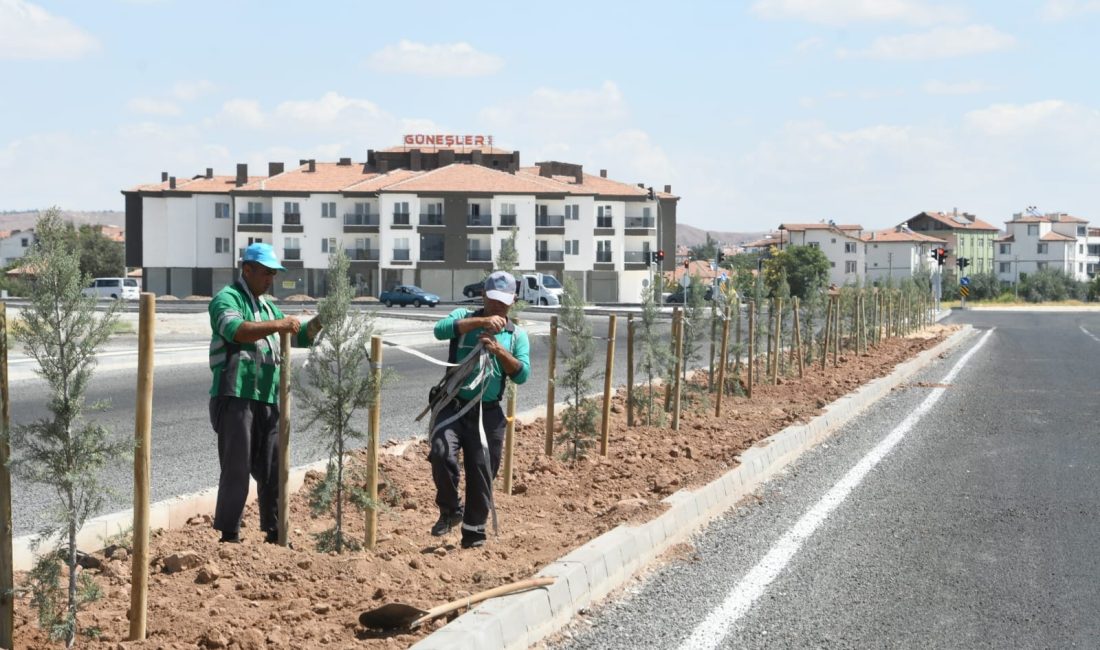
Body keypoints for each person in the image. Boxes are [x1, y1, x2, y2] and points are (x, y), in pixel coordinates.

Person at [208, 242, 322, 543]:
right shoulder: (226, 299)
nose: (270, 279)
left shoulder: (270, 307)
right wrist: (278, 325)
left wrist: (319, 323)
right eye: (266, 273)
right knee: (237, 466)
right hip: (235, 395)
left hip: (268, 398)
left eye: (273, 274)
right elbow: (236, 330)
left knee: (273, 467)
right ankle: (229, 534)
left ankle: (274, 531)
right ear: (247, 270)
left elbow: (297, 337)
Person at [429, 271, 530, 548]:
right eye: (493, 300)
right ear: (483, 295)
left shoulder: (516, 335)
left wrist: (498, 351)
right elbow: (440, 330)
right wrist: (481, 323)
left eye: (504, 302)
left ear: (513, 301)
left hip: (489, 414)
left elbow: (522, 374)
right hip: (454, 405)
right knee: (441, 451)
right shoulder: (465, 316)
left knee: (482, 471)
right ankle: (450, 511)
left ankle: (474, 534)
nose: (498, 307)